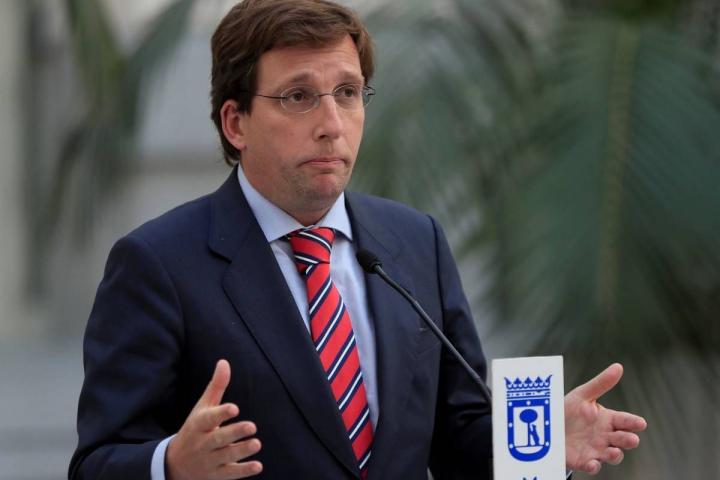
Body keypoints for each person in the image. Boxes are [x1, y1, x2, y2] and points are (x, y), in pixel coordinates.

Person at [68, 0, 647, 479]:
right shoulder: (158, 264)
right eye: (298, 97)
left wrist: (540, 444)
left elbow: (460, 437)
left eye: (347, 92)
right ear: (236, 123)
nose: (331, 124)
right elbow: (97, 462)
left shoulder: (415, 242)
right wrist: (171, 465)